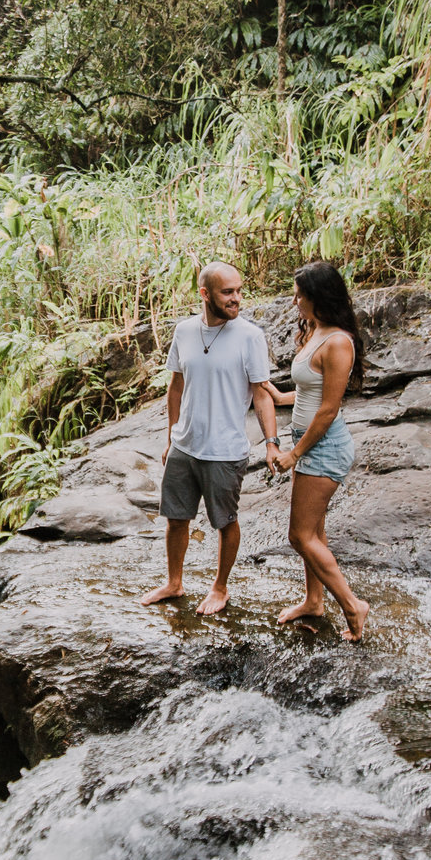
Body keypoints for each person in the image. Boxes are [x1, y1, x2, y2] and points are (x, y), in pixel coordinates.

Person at [140, 261, 278, 616]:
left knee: (225, 522)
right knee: (175, 518)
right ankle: (174, 582)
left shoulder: (250, 336)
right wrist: (172, 438)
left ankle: (220, 588)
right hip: (185, 445)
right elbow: (175, 387)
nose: (237, 299)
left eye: (239, 291)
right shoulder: (184, 331)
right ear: (205, 294)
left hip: (225, 450)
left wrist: (272, 442)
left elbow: (261, 393)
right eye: (227, 292)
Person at [266, 260, 371, 640]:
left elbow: (329, 408)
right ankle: (314, 600)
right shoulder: (316, 331)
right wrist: (279, 396)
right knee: (315, 531)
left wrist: (294, 454)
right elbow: (312, 393)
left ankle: (352, 605)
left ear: (318, 296)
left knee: (300, 536)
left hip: (323, 446)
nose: (295, 299)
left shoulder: (338, 341)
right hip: (308, 441)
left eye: (300, 294)